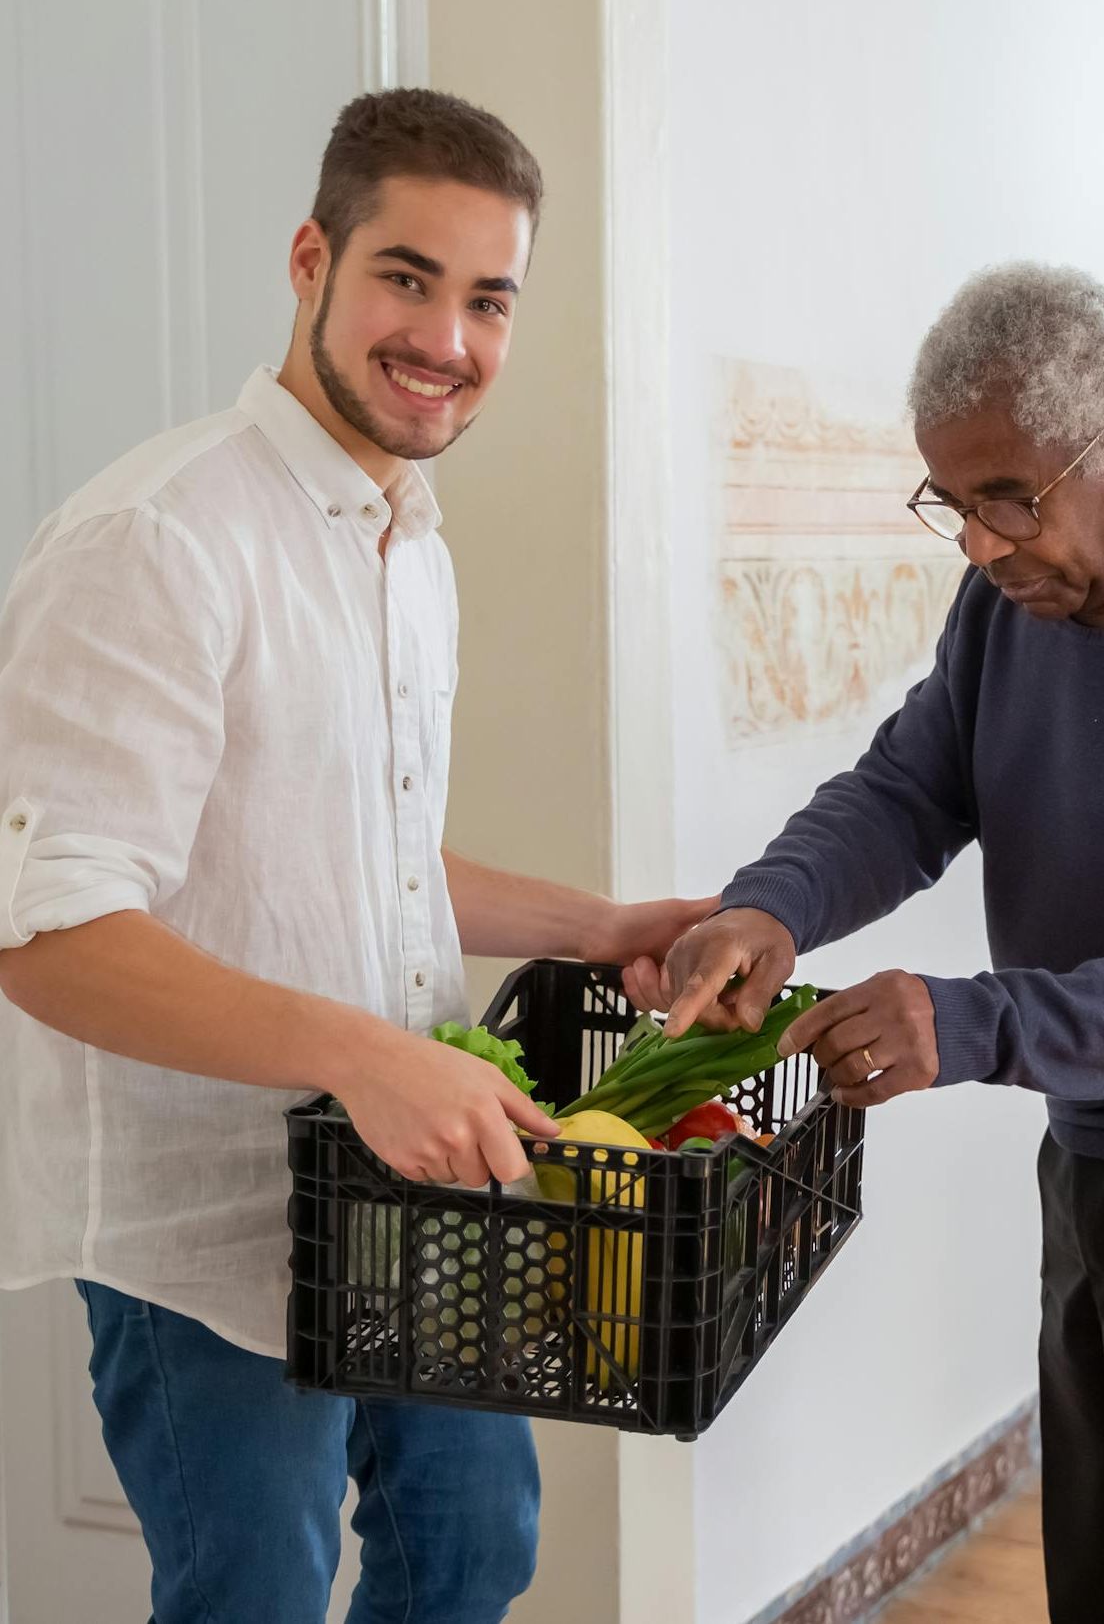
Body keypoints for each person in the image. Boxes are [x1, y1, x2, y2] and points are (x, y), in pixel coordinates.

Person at [0, 88, 712, 1624]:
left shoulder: (404, 537)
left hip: (413, 1191)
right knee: (249, 1598)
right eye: (406, 278)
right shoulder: (159, 541)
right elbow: (44, 931)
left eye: (488, 298)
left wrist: (595, 922)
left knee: (471, 1554)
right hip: (210, 1234)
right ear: (312, 260)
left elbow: (352, 850)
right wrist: (364, 1056)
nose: (445, 339)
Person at [632, 263, 1104, 1624]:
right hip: (1094, 1151)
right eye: (953, 505)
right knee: (1099, 1556)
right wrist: (768, 905)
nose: (980, 546)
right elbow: (912, 786)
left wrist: (971, 1021)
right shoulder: (1010, 606)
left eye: (1008, 501)